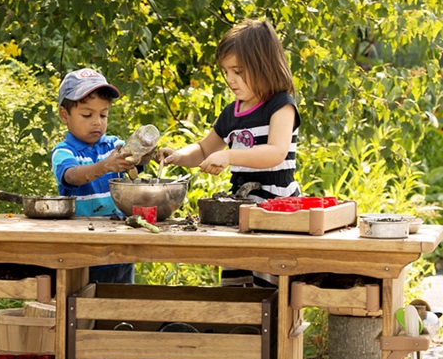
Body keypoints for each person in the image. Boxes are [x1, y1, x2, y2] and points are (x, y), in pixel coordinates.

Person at [156, 19, 301, 287]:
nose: (230, 80)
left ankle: (273, 327)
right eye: (226, 72)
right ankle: (239, 327)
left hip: (276, 212)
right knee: (236, 281)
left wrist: (230, 156)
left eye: (238, 71)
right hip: (240, 211)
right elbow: (203, 149)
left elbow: (275, 152)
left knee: (268, 282)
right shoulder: (232, 112)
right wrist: (177, 155)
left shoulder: (282, 105)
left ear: (264, 65)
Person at [52, 68, 149, 284]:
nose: (97, 122)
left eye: (103, 114)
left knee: (123, 302)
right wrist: (105, 166)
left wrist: (146, 153)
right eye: (87, 115)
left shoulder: (113, 144)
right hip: (85, 248)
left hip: (120, 243)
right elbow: (73, 176)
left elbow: (135, 164)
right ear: (64, 115)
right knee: (86, 306)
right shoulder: (64, 151)